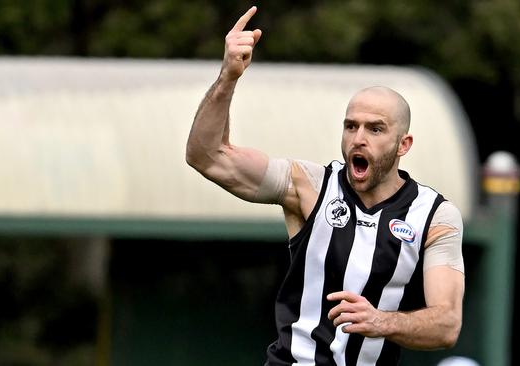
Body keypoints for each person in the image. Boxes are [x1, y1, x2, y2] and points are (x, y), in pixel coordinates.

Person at [186, 6, 465, 365]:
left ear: (403, 145)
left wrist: (380, 321)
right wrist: (228, 77)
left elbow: (446, 325)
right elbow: (206, 156)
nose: (358, 139)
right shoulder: (310, 185)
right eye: (351, 126)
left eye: (375, 129)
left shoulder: (434, 216)